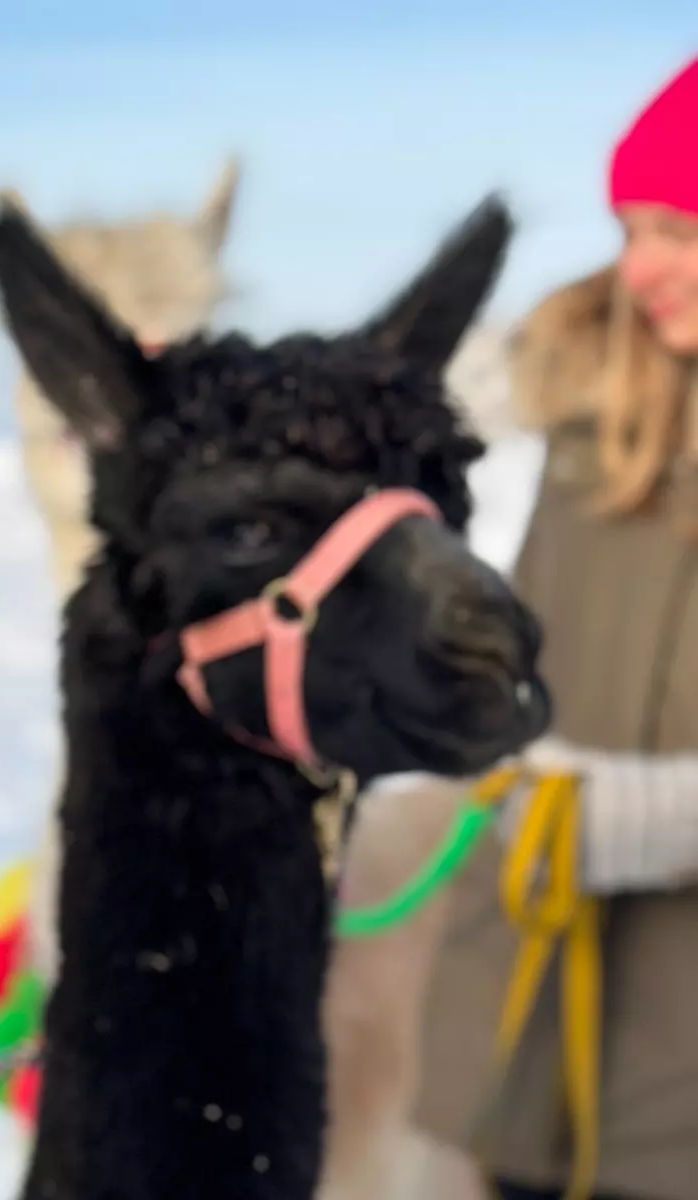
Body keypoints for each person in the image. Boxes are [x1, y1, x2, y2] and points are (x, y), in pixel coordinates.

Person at [413, 53, 698, 1200]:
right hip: (527, 989)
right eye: (630, 229)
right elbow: (391, 400)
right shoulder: (582, 381)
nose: (638, 269)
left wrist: (664, 817)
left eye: (678, 231)